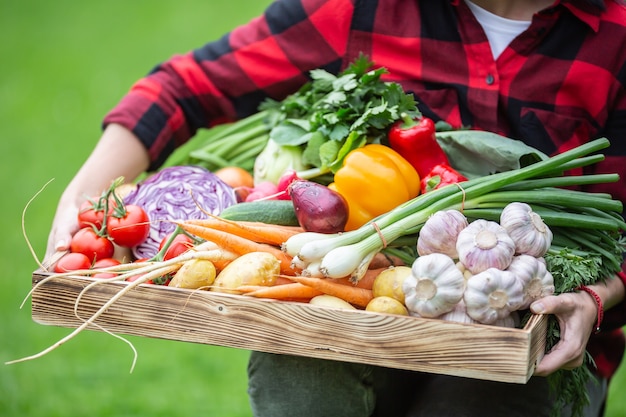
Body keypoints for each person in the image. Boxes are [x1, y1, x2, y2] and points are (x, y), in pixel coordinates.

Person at [46, 0, 626, 416]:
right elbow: (183, 86)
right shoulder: (360, 9)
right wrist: (82, 202)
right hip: (370, 304)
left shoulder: (615, 35)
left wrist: (598, 297)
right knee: (296, 370)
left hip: (533, 335)